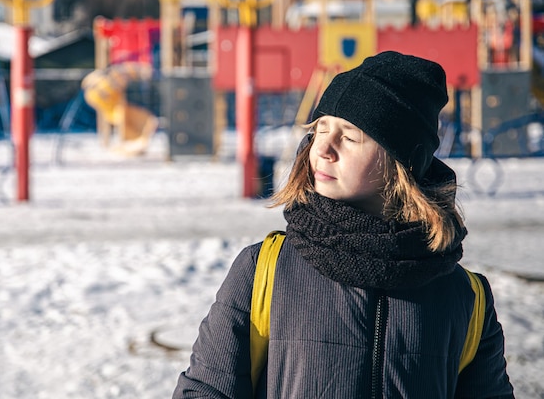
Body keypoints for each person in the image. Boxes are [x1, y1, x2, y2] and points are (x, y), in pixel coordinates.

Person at [172, 51, 514, 398]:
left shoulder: (466, 299)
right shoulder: (263, 272)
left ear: (402, 163)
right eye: (321, 128)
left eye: (349, 136)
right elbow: (205, 390)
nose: (323, 148)